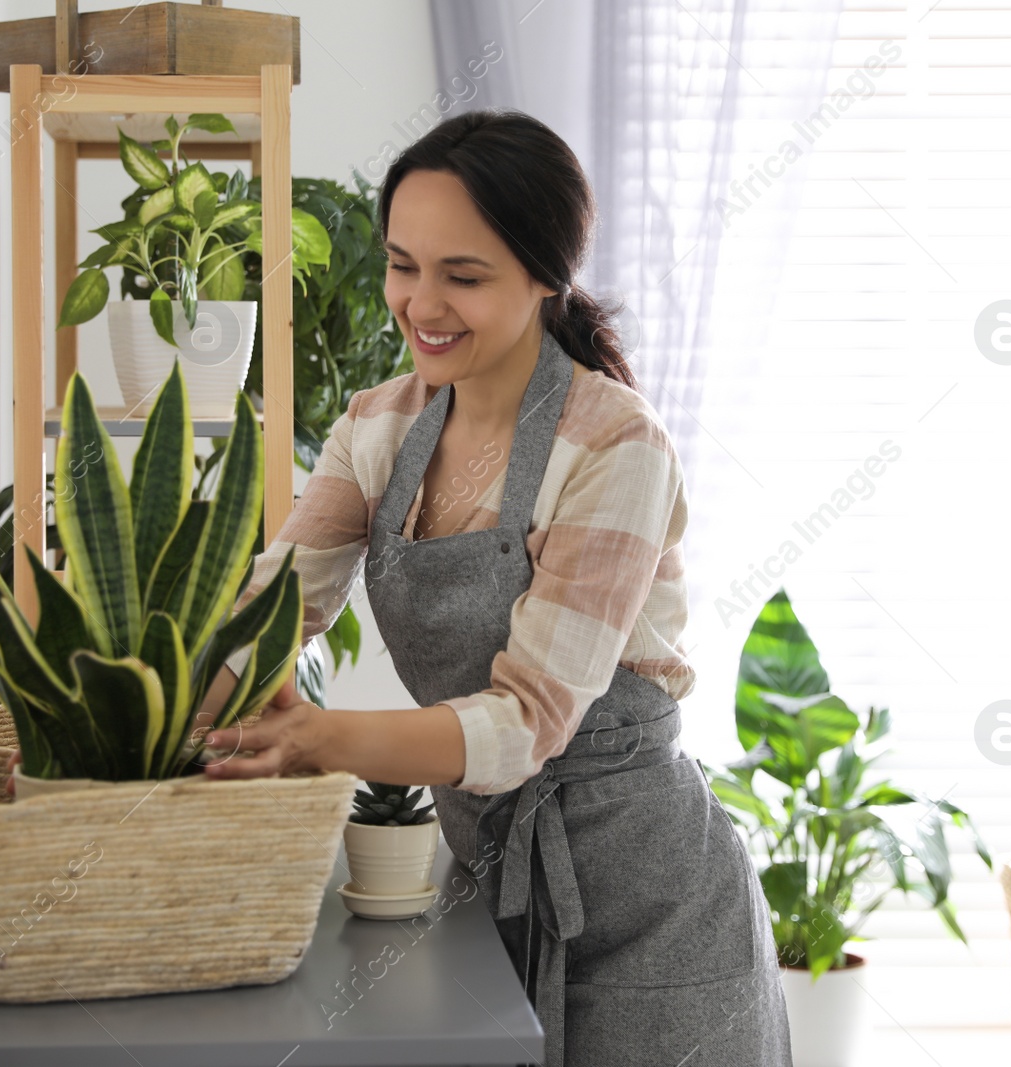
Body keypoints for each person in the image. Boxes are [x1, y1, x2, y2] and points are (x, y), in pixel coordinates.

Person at [193, 108, 793, 1067]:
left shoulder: (614, 445)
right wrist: (149, 724)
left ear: (545, 276)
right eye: (402, 264)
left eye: (462, 276)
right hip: (489, 889)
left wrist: (318, 734)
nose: (420, 304)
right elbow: (274, 614)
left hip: (654, 915)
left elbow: (527, 723)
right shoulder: (377, 430)